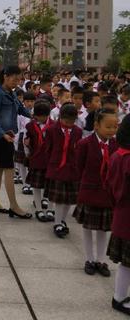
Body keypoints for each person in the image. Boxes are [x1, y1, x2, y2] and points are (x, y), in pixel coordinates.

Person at [73, 109, 118, 276]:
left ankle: (101, 260)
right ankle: (89, 259)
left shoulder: (116, 145)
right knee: (88, 228)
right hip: (89, 190)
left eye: (115, 127)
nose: (112, 130)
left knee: (103, 229)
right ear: (97, 126)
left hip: (107, 193)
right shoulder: (85, 144)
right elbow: (79, 166)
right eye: (108, 126)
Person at [0, 66, 32, 219]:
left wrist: (37, 116)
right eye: (14, 79)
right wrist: (2, 134)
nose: (16, 82)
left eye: (19, 80)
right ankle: (14, 206)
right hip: (2, 138)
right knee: (9, 170)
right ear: (5, 76)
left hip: (9, 136)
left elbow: (22, 110)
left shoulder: (11, 94)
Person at [43, 103, 82, 238]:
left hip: (71, 168)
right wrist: (49, 165)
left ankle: (63, 220)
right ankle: (57, 222)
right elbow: (47, 149)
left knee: (69, 199)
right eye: (66, 121)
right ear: (60, 117)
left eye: (72, 121)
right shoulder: (52, 130)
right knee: (59, 198)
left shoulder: (77, 131)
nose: (69, 124)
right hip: (57, 167)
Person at [106, 114, 130, 315]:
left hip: (122, 215)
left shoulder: (117, 155)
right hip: (128, 217)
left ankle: (120, 296)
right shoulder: (128, 159)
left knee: (126, 262)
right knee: (127, 263)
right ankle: (119, 298)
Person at [25, 100, 54, 222]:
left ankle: (51, 209)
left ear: (47, 115)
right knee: (36, 186)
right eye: (37, 116)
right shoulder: (30, 126)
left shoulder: (54, 125)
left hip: (50, 161)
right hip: (36, 159)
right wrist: (27, 149)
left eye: (41, 116)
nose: (39, 118)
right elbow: (27, 141)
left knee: (51, 186)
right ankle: (38, 209)